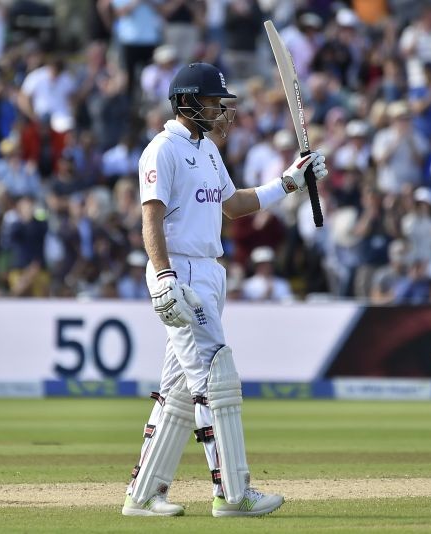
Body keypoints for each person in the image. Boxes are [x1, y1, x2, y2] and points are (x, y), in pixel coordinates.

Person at [122, 62, 327, 517]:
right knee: (216, 378)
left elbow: (233, 205)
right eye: (213, 102)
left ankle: (143, 495)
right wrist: (164, 277)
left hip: (208, 272)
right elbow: (150, 219)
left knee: (179, 389)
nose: (221, 110)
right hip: (180, 272)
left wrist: (289, 182)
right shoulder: (162, 150)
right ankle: (233, 494)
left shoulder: (209, 151)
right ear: (186, 102)